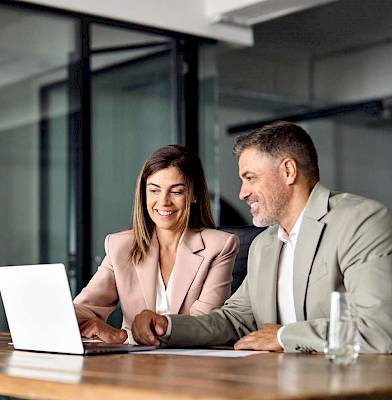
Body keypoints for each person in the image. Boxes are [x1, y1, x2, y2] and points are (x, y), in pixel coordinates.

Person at [132, 121, 392, 353]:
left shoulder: (361, 221)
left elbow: (379, 330)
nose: (243, 193)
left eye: (250, 178)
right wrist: (166, 326)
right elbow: (234, 319)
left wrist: (283, 336)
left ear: (288, 171)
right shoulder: (264, 244)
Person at [74, 145, 240, 344]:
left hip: (192, 363)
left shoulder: (219, 246)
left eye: (176, 192)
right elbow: (86, 307)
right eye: (154, 190)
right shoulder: (120, 246)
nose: (163, 201)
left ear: (194, 194)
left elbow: (204, 325)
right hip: (134, 364)